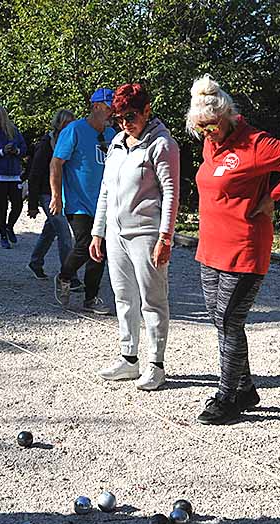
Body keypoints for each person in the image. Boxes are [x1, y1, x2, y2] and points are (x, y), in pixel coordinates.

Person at [186, 74, 280, 425]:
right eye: (200, 128)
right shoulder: (210, 143)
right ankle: (244, 389)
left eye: (211, 126)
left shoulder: (256, 144)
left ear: (227, 115)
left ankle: (227, 396)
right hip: (210, 247)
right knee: (220, 321)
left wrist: (273, 196)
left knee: (230, 320)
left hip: (244, 247)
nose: (207, 133)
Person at [89, 84, 180, 391]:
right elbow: (106, 189)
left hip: (146, 233)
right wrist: (98, 231)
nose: (125, 123)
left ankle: (156, 364)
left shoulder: (162, 144)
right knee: (123, 296)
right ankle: (129, 358)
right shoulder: (116, 143)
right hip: (116, 233)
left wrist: (165, 237)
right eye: (119, 118)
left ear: (146, 111)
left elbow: (171, 193)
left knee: (153, 299)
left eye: (131, 116)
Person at [50, 88, 116, 314]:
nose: (111, 112)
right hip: (78, 202)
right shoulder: (74, 130)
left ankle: (91, 298)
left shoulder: (112, 134)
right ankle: (64, 276)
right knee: (85, 243)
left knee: (100, 250)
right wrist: (56, 196)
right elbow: (56, 163)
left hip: (104, 203)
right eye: (108, 108)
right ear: (96, 106)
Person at [26, 109, 81, 288]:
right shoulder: (45, 145)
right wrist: (32, 204)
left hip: (63, 192)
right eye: (66, 123)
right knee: (64, 232)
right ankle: (69, 275)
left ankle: (35, 262)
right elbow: (34, 174)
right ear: (59, 124)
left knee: (50, 229)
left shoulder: (71, 142)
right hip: (47, 193)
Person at [0, 104, 27, 249]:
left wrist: (16, 151)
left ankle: (9, 226)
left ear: (2, 116)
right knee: (2, 207)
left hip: (13, 174)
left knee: (18, 205)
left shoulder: (13, 131)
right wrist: (2, 151)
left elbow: (24, 149)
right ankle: (3, 236)